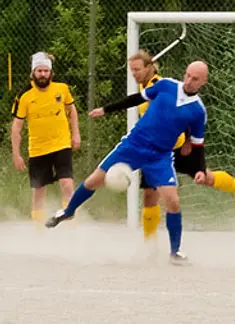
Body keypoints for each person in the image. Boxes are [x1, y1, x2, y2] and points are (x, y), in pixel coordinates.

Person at [46, 61, 210, 265]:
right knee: (93, 181)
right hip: (133, 145)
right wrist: (106, 109)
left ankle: (175, 252)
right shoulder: (166, 85)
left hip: (160, 155)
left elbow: (197, 145)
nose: (188, 80)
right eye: (187, 75)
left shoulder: (198, 111)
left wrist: (200, 169)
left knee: (173, 201)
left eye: (195, 78)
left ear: (204, 81)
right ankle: (68, 211)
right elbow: (136, 99)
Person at [128, 50, 235, 241]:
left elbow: (183, 111)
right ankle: (149, 242)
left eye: (137, 69)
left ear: (149, 67)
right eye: (132, 70)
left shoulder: (160, 86)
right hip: (156, 149)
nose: (134, 73)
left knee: (205, 177)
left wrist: (188, 139)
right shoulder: (143, 86)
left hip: (178, 147)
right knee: (149, 194)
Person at [11, 52, 81, 224]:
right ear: (33, 72)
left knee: (66, 183)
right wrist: (16, 154)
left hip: (61, 144)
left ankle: (71, 225)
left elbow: (72, 111)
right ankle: (39, 229)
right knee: (39, 191)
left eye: (46, 71)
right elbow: (16, 127)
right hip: (38, 148)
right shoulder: (24, 95)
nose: (43, 74)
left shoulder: (62, 89)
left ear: (51, 72)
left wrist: (76, 133)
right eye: (39, 71)